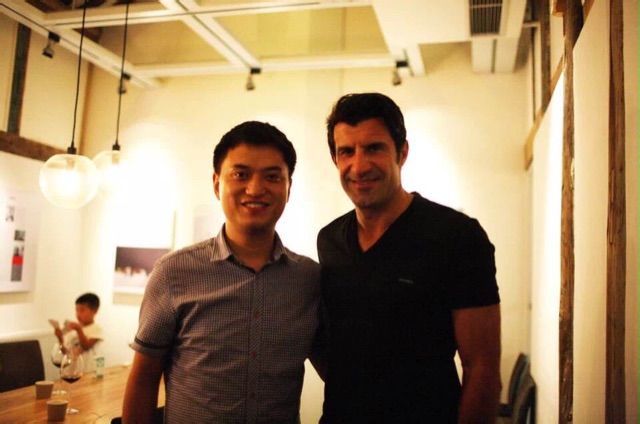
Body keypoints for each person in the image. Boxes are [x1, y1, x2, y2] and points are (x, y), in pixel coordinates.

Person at [317, 93, 501, 423]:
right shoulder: (329, 240)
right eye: (347, 151)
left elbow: (482, 368)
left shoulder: (457, 236)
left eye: (374, 148)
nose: (359, 166)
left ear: (402, 152)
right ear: (335, 159)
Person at [122, 121, 321, 423]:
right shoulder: (174, 273)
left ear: (288, 187)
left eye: (272, 176)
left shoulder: (309, 279)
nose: (255, 189)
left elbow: (336, 368)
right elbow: (143, 378)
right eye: (241, 174)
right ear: (217, 184)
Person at [53, 292, 103, 371]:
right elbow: (65, 351)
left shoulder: (96, 329)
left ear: (95, 311)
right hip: (70, 370)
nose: (78, 314)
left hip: (87, 371)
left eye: (82, 310)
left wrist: (79, 330)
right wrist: (60, 338)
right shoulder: (72, 330)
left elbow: (86, 346)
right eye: (77, 310)